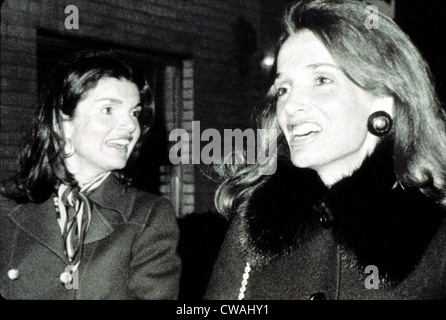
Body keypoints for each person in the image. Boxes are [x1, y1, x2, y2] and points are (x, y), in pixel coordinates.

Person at [205, 0, 446, 300]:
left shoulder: (435, 236)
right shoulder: (254, 224)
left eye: (321, 80)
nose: (290, 106)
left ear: (383, 99)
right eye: (283, 89)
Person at [0, 50, 181, 299]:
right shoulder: (7, 207)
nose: (132, 126)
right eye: (108, 109)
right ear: (62, 123)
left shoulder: (149, 215)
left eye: (135, 112)